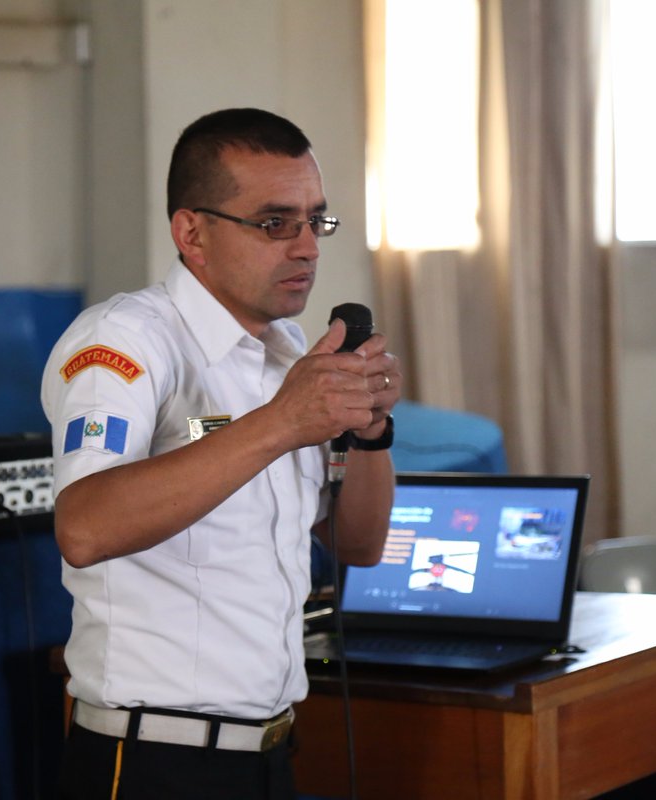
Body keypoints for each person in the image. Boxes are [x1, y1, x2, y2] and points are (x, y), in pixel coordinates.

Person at [41, 107, 401, 800]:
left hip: (267, 753)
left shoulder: (289, 354)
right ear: (192, 231)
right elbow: (83, 529)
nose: (306, 247)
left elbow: (358, 544)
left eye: (314, 220)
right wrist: (280, 422)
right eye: (274, 223)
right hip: (151, 759)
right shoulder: (124, 343)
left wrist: (372, 432)